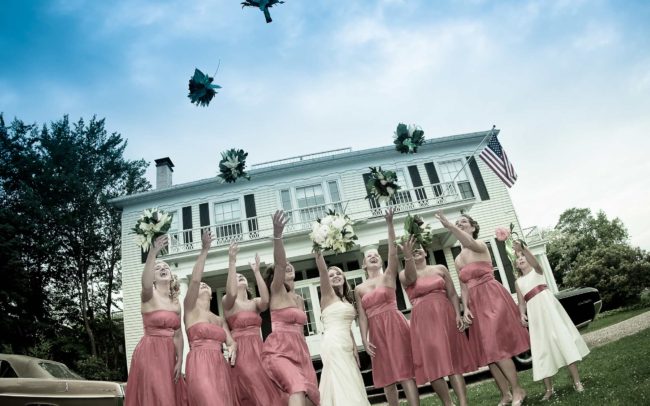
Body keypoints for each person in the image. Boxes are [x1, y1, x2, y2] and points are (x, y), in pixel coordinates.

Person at [436, 211, 529, 406]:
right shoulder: (459, 258)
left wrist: (450, 226)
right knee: (488, 351)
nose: (459, 224)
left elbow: (468, 242)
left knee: (497, 347)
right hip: (475, 304)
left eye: (463, 222)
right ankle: (506, 394)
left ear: (473, 227)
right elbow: (463, 285)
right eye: (457, 222)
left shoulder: (479, 246)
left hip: (492, 296)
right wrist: (466, 308)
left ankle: (518, 389)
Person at [399, 237, 477, 406]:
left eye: (419, 248)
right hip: (423, 321)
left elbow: (451, 293)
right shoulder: (404, 274)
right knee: (434, 365)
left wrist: (458, 314)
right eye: (413, 250)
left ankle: (463, 403)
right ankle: (448, 403)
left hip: (445, 315)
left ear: (426, 252)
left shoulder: (440, 268)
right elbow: (411, 279)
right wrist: (408, 257)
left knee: (453, 361)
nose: (417, 250)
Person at [354, 208, 419, 406]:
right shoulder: (359, 288)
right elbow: (363, 316)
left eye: (375, 255)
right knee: (387, 376)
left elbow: (392, 250)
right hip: (376, 331)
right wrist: (364, 340)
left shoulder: (389, 276)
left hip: (394, 323)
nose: (372, 256)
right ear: (363, 265)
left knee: (404, 371)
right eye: (368, 256)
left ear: (380, 260)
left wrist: (389, 224)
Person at [514, 241, 589, 400]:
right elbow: (521, 303)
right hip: (535, 316)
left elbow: (535, 261)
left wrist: (523, 248)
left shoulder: (537, 271)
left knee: (563, 342)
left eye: (523, 256)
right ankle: (548, 389)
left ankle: (577, 382)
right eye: (517, 257)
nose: (520, 259)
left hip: (549, 311)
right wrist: (522, 314)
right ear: (516, 265)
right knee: (541, 349)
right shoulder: (518, 282)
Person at [261, 210, 320, 406]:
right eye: (284, 267)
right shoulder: (276, 290)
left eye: (290, 265)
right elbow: (279, 263)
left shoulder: (299, 300)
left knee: (310, 397)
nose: (288, 266)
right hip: (280, 350)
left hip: (300, 350)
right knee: (296, 387)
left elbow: (301, 333)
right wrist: (278, 236)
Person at [223, 248, 287, 406]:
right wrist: (232, 262)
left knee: (267, 383)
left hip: (259, 347)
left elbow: (266, 300)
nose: (240, 277)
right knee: (253, 384)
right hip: (242, 350)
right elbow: (231, 293)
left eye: (242, 276)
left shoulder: (254, 303)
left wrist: (257, 271)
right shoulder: (228, 302)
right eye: (236, 277)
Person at [125, 235, 184, 406]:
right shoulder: (148, 295)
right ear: (153, 276)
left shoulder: (176, 303)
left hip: (169, 356)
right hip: (150, 352)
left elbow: (178, 335)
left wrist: (179, 360)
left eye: (166, 266)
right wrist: (153, 252)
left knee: (169, 395)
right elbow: (145, 283)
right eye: (158, 268)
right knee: (157, 395)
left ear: (172, 276)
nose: (163, 268)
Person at [183, 231, 237, 406]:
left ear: (212, 296)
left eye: (207, 285)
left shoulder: (219, 319)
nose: (202, 285)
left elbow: (231, 342)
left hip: (220, 365)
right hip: (199, 364)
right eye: (201, 285)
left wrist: (233, 349)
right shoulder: (190, 309)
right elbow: (195, 281)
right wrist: (204, 250)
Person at [314, 251, 370, 406]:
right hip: (333, 343)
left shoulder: (347, 299)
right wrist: (319, 254)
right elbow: (323, 272)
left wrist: (354, 348)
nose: (335, 276)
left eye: (338, 273)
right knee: (340, 379)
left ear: (344, 277)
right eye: (331, 275)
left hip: (346, 343)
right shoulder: (327, 295)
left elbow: (348, 327)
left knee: (350, 377)